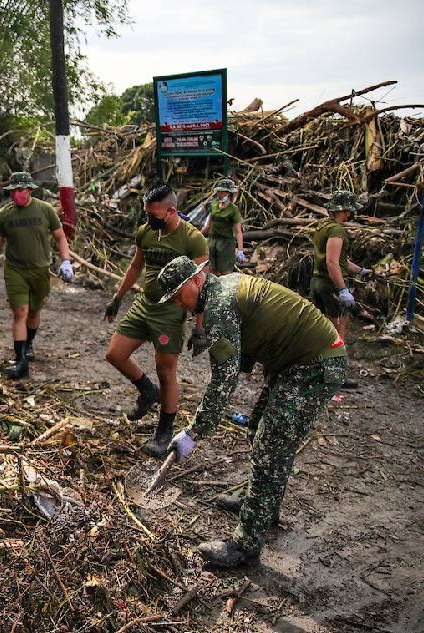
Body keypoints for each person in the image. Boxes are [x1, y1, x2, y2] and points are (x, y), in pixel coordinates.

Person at [157, 256, 347, 568]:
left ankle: (245, 544)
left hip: (314, 364)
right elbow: (241, 351)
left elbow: (224, 381)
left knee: (270, 446)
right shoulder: (223, 287)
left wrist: (194, 432)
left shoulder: (218, 305)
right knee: (260, 427)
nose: (179, 303)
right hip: (297, 364)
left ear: (196, 280)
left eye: (179, 294)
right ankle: (262, 507)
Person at [103, 184, 208, 457]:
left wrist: (200, 328)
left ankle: (164, 431)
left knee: (166, 371)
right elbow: (136, 266)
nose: (150, 219)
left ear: (171, 211)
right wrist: (117, 297)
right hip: (144, 305)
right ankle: (148, 392)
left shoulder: (193, 239)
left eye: (155, 214)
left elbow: (201, 286)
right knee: (115, 353)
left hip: (171, 311)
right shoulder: (146, 232)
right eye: (147, 213)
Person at [0, 172, 72, 379]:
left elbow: (60, 237)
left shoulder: (45, 210)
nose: (17, 194)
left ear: (30, 190)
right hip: (15, 270)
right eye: (14, 191)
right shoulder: (5, 214)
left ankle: (29, 343)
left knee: (34, 312)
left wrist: (66, 261)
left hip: (39, 270)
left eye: (21, 190)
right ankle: (20, 361)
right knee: (20, 312)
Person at [309, 190, 371, 387]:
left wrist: (359, 270)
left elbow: (339, 260)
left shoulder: (322, 226)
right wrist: (342, 289)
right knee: (337, 329)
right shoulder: (337, 230)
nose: (351, 214)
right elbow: (332, 262)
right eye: (350, 210)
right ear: (343, 210)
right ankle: (335, 375)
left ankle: (316, 368)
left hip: (317, 282)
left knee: (320, 328)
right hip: (331, 286)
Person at [201, 178, 245, 274]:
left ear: (229, 193)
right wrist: (198, 235)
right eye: (218, 192)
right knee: (211, 270)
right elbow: (208, 225)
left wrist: (240, 250)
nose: (219, 194)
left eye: (222, 192)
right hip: (212, 242)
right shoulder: (214, 206)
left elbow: (238, 231)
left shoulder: (233, 210)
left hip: (226, 244)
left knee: (225, 272)